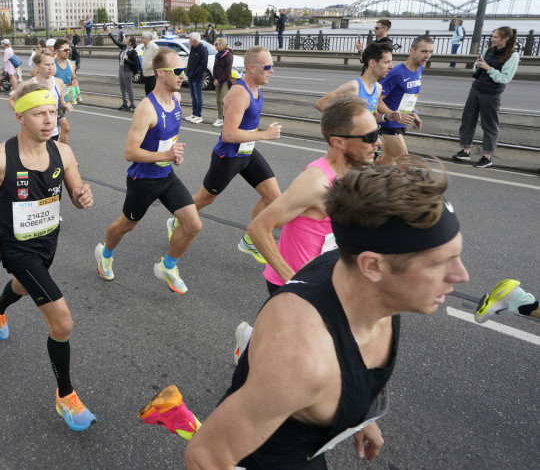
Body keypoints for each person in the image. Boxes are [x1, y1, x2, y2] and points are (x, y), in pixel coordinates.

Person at [178, 156, 468, 469]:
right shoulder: (303, 358)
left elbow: (353, 360)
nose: (461, 275)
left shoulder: (363, 280)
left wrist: (358, 415)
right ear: (373, 266)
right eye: (439, 263)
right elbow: (204, 456)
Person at [0, 82, 97, 431]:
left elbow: (76, 190)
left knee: (22, 286)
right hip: (17, 248)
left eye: (52, 112)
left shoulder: (63, 152)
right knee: (62, 322)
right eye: (39, 114)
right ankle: (65, 396)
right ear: (21, 117)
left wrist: (82, 197)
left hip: (48, 241)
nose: (49, 120)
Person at [94, 48, 202, 294]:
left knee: (193, 224)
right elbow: (130, 152)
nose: (183, 75)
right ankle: (105, 253)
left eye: (184, 70)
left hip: (166, 177)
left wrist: (174, 153)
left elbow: (167, 139)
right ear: (161, 73)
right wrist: (166, 155)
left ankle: (168, 266)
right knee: (126, 225)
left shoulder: (176, 100)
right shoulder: (146, 109)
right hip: (142, 180)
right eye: (177, 70)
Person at [248, 96, 380, 293]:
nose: (378, 142)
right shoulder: (316, 182)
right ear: (338, 142)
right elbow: (258, 228)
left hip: (326, 279)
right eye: (370, 137)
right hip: (300, 289)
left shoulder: (354, 170)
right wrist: (295, 282)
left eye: (378, 132)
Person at [173, 47, 282, 265]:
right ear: (252, 68)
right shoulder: (240, 93)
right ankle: (178, 221)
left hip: (247, 152)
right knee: (206, 198)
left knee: (274, 199)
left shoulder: (256, 88)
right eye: (268, 67)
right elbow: (229, 134)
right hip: (228, 156)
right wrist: (265, 134)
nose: (272, 71)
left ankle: (251, 240)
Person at [452, 26, 520, 169]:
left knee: (489, 125)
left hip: (491, 93)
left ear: (506, 39)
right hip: (476, 88)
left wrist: (488, 67)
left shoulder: (512, 55)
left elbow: (504, 78)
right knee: (468, 119)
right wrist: (478, 65)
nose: (492, 39)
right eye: (492, 36)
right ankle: (465, 151)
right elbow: (475, 68)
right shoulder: (488, 50)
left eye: (495, 37)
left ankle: (487, 157)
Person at [374, 35, 433, 166]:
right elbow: (377, 100)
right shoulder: (396, 73)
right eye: (424, 51)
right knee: (405, 163)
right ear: (412, 50)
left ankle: (368, 174)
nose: (427, 55)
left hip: (400, 121)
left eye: (430, 52)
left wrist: (414, 112)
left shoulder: (419, 69)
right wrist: (394, 116)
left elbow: (408, 95)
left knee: (386, 161)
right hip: (390, 124)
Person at [315, 43, 394, 116]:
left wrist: (387, 117)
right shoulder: (354, 87)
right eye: (386, 62)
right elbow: (320, 104)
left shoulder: (378, 87)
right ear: (372, 63)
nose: (391, 66)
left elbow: (373, 116)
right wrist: (344, 123)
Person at [52, 39, 75, 142]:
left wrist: (74, 82)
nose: (68, 52)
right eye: (65, 50)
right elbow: (35, 73)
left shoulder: (71, 64)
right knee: (66, 128)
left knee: (58, 130)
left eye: (69, 49)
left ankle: (53, 147)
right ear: (56, 51)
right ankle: (64, 151)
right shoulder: (51, 64)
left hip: (63, 101)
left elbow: (72, 78)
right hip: (52, 102)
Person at [185, 32, 208, 123]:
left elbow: (203, 65)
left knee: (198, 96)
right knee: (193, 96)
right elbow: (190, 61)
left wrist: (193, 73)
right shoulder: (193, 48)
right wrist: (188, 71)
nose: (189, 41)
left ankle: (198, 115)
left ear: (195, 41)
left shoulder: (203, 50)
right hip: (191, 76)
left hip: (197, 77)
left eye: (190, 40)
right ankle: (194, 113)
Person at [211, 37, 234, 127]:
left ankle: (224, 118)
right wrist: (214, 78)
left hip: (225, 80)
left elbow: (228, 70)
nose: (215, 45)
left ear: (221, 45)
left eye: (216, 44)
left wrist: (219, 80)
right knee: (218, 100)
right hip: (218, 80)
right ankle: (219, 117)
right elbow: (214, 68)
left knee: (223, 100)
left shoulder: (229, 55)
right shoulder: (217, 55)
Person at [140, 30, 160, 96]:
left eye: (142, 37)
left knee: (153, 94)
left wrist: (151, 66)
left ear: (147, 38)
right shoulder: (145, 47)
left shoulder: (154, 47)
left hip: (152, 74)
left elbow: (159, 60)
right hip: (146, 74)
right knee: (148, 93)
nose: (141, 39)